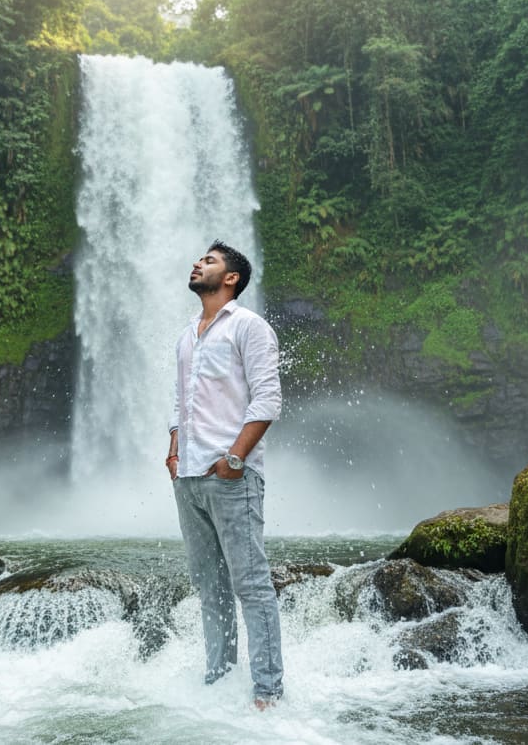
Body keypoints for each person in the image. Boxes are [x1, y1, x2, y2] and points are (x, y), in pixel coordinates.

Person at [165, 239, 284, 709]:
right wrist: (174, 451)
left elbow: (268, 399)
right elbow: (181, 401)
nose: (198, 263)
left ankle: (268, 692)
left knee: (250, 585)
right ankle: (218, 682)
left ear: (231, 278)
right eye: (199, 259)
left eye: (209, 261)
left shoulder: (249, 326)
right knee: (210, 588)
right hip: (189, 477)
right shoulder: (187, 335)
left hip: (231, 476)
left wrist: (234, 460)